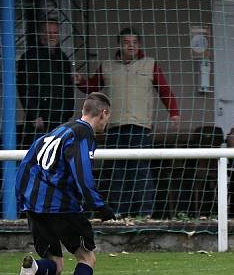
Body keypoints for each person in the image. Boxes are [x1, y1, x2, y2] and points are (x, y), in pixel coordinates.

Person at [16, 92, 116, 275]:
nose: (107, 123)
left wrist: (24, 200)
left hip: (34, 204)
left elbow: (26, 164)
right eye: (107, 118)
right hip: (61, 206)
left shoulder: (55, 132)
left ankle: (33, 269)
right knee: (87, 258)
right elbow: (82, 172)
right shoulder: (83, 134)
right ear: (103, 113)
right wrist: (99, 206)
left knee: (57, 265)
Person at [75, 27, 180, 218]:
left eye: (134, 42)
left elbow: (164, 90)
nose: (130, 46)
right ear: (119, 44)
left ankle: (144, 213)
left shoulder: (150, 65)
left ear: (139, 45)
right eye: (126, 42)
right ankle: (118, 212)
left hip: (140, 127)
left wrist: (174, 112)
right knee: (116, 172)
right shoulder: (107, 66)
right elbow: (93, 86)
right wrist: (81, 82)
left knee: (140, 170)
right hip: (114, 127)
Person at [16, 20, 76, 148]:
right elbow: (25, 88)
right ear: (40, 34)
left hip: (60, 119)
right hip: (39, 121)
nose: (52, 36)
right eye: (48, 32)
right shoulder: (30, 57)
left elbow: (68, 88)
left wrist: (68, 112)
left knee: (58, 158)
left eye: (55, 32)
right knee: (37, 157)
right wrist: (34, 115)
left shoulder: (63, 58)